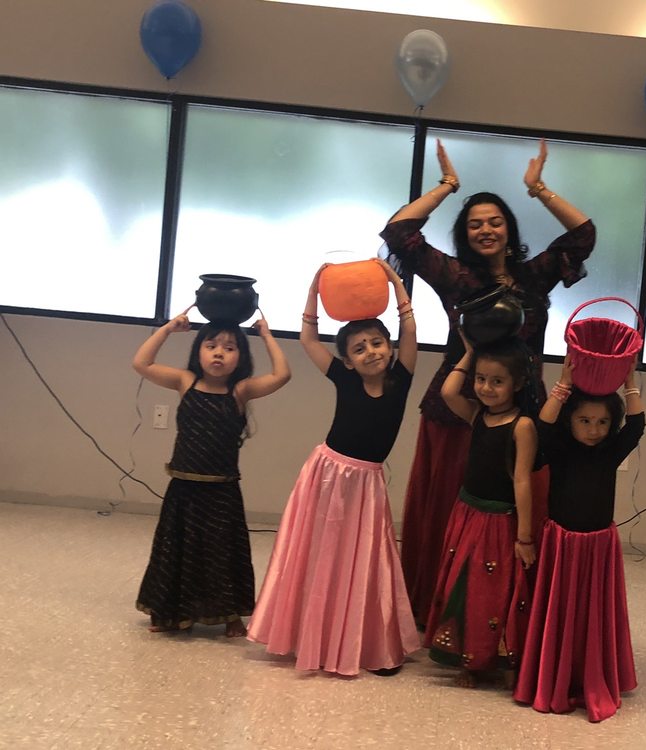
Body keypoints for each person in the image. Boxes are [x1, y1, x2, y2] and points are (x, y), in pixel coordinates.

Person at [380, 139, 596, 627]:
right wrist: (447, 186)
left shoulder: (534, 276)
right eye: (475, 224)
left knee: (520, 514)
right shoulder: (455, 276)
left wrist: (538, 188)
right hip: (459, 412)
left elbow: (583, 234)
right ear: (465, 234)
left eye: (495, 222)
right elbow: (399, 232)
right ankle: (443, 615)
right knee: (454, 512)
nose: (485, 230)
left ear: (509, 229)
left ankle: (511, 624)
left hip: (526, 415)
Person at [247, 260, 420, 676]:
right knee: (319, 552)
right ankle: (309, 633)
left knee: (367, 558)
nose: (371, 352)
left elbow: (410, 328)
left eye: (377, 343)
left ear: (390, 347)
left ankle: (367, 641)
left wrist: (395, 282)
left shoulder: (401, 378)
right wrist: (314, 291)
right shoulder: (344, 378)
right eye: (359, 349)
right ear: (347, 361)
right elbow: (308, 338)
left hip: (367, 482)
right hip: (327, 474)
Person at [133, 309, 291, 637]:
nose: (219, 353)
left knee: (222, 552)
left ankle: (230, 615)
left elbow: (282, 375)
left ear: (240, 357)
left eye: (229, 348)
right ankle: (169, 611)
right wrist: (168, 328)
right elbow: (142, 363)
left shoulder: (240, 391)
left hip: (222, 490)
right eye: (211, 346)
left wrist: (266, 335)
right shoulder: (185, 382)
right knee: (176, 549)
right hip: (184, 487)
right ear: (198, 351)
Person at [514, 356, 644, 722]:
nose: (594, 429)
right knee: (559, 612)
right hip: (562, 543)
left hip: (598, 545)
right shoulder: (560, 447)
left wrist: (629, 381)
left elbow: (637, 425)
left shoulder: (611, 450)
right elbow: (544, 423)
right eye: (584, 421)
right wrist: (563, 384)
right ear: (570, 420)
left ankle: (590, 670)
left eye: (602, 422)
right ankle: (553, 672)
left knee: (592, 613)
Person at [424, 337, 538, 688]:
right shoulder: (477, 414)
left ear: (518, 383)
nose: (486, 388)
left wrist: (524, 537)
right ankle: (467, 660)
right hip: (467, 513)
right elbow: (448, 392)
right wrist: (470, 353)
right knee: (465, 588)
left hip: (500, 522)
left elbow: (522, 481)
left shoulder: (522, 426)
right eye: (481, 379)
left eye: (497, 381)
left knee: (494, 592)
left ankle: (501, 660)